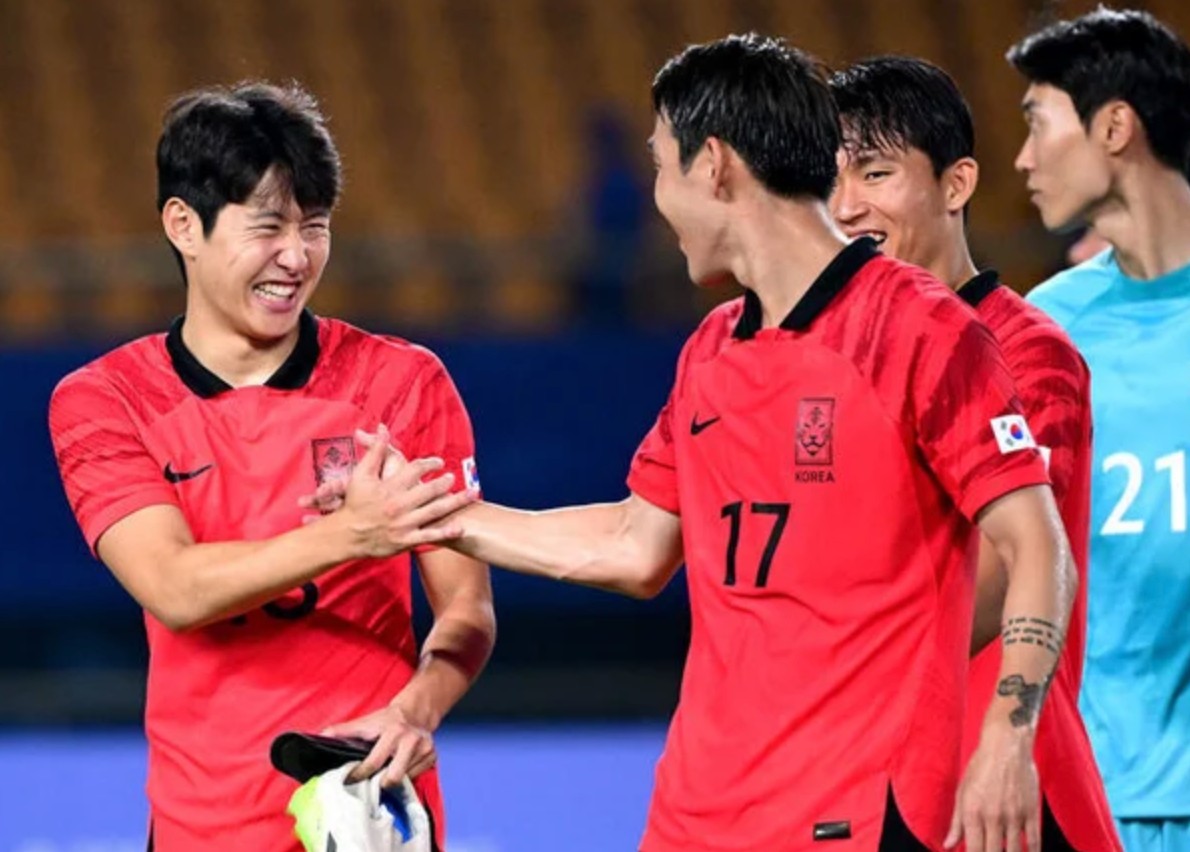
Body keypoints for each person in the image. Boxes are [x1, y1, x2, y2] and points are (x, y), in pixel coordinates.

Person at [320, 33, 1076, 852]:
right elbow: (634, 543)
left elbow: (1038, 547)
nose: (657, 199)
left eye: (660, 166)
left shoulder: (922, 328)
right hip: (698, 813)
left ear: (713, 165)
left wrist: (1008, 738)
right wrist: (425, 516)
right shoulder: (712, 349)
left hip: (853, 811)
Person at [47, 81, 495, 851]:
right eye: (268, 227)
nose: (297, 256)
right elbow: (175, 589)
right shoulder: (105, 399)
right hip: (200, 825)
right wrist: (352, 534)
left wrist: (415, 709)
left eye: (315, 226)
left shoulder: (404, 382)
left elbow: (468, 610)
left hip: (366, 815)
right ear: (183, 225)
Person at [828, 55, 1119, 852]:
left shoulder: (1030, 353)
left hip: (1000, 791)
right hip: (867, 783)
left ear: (956, 185)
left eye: (875, 173)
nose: (845, 206)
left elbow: (1020, 562)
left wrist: (825, 659)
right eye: (831, 180)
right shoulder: (830, 360)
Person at [1008, 9, 1190, 851]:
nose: (1023, 158)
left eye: (1038, 122)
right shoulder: (1044, 332)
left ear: (1115, 127)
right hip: (1083, 799)